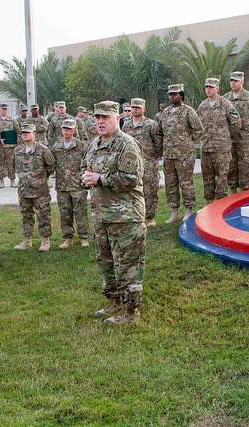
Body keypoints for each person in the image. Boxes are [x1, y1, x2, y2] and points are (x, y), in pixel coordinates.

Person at [81, 101, 146, 326]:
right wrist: (86, 178)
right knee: (106, 263)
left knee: (127, 265)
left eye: (105, 117)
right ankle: (114, 302)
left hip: (126, 216)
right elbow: (86, 167)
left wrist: (100, 179)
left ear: (117, 119)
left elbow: (131, 179)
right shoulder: (94, 144)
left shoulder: (126, 145)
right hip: (102, 215)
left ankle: (130, 311)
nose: (100, 121)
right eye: (97, 117)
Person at [158, 84, 203, 223]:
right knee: (170, 184)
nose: (172, 96)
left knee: (186, 183)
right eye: (170, 94)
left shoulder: (188, 111)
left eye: (175, 94)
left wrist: (187, 143)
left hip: (184, 156)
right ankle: (174, 212)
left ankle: (189, 210)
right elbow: (160, 132)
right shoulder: (165, 113)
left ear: (181, 95)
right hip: (169, 155)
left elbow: (198, 130)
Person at [197, 78, 241, 203]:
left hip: (221, 148)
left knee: (222, 177)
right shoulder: (202, 106)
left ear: (217, 88)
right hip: (206, 148)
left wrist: (226, 137)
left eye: (211, 87)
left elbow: (236, 123)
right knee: (207, 177)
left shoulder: (226, 104)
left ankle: (220, 203)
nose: (208, 89)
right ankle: (209, 203)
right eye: (207, 87)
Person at [13, 123, 55, 252]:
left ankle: (45, 240)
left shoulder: (43, 149)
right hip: (24, 189)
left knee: (43, 215)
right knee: (26, 215)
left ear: (34, 134)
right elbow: (14, 166)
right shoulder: (18, 150)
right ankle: (27, 240)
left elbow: (51, 165)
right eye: (23, 133)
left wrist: (41, 178)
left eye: (28, 132)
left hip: (39, 189)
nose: (25, 134)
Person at [223, 71, 249, 193]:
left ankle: (244, 192)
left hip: (246, 139)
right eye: (231, 80)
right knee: (231, 165)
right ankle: (232, 191)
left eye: (236, 81)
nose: (233, 83)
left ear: (242, 81)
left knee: (244, 166)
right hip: (231, 139)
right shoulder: (226, 98)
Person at [122, 98, 163, 226]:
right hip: (131, 164)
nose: (135, 110)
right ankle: (136, 216)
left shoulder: (151, 124)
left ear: (143, 109)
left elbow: (158, 144)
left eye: (138, 107)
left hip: (148, 163)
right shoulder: (126, 125)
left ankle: (150, 217)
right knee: (131, 191)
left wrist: (153, 158)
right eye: (133, 107)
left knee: (150, 190)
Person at [51, 119, 89, 249]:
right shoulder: (56, 147)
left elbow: (88, 164)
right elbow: (51, 164)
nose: (66, 131)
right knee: (65, 213)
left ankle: (83, 237)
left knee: (80, 212)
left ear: (74, 130)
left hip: (77, 185)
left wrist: (83, 178)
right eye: (64, 129)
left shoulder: (82, 146)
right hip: (62, 185)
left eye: (69, 129)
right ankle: (68, 238)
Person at [0, 103, 21, 188]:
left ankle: (12, 180)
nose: (4, 110)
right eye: (3, 109)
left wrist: (16, 141)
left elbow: (18, 132)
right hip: (0, 146)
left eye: (5, 109)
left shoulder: (12, 120)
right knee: (0, 164)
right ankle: (1, 181)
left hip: (10, 147)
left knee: (11, 163)